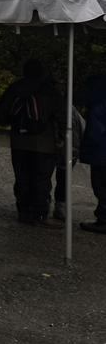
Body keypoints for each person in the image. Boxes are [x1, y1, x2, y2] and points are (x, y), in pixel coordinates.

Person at [0, 59, 65, 224]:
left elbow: (1, 112)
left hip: (20, 141)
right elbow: (62, 116)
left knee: (22, 177)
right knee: (41, 179)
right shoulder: (50, 91)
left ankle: (24, 211)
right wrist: (61, 137)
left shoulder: (16, 88)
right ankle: (40, 213)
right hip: (45, 143)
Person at [79, 74, 106, 234]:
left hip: (101, 154)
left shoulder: (98, 106)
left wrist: (86, 149)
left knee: (101, 187)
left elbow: (94, 133)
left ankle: (103, 219)